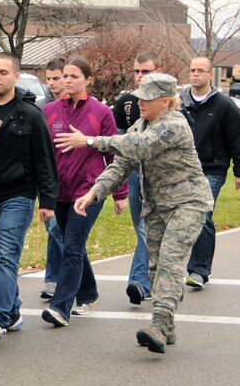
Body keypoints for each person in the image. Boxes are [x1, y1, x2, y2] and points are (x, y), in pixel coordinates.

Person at [57, 73, 214, 353]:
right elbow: (121, 164)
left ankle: (158, 324)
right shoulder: (140, 125)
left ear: (165, 101)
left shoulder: (173, 125)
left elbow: (139, 146)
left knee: (169, 261)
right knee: (154, 266)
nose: (139, 101)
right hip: (155, 205)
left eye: (147, 97)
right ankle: (168, 325)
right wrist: (93, 193)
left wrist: (92, 142)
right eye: (139, 95)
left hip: (188, 202)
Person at [0, 52, 58, 345]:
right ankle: (12, 311)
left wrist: (48, 201)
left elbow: (45, 161)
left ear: (16, 76)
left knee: (6, 255)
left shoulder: (31, 114)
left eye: (2, 72)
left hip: (19, 194)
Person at [41, 56, 126, 328]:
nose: (67, 80)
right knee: (69, 244)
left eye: (74, 76)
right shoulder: (51, 110)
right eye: (65, 75)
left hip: (89, 191)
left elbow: (115, 153)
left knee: (73, 246)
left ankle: (60, 308)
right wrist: (44, 191)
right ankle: (88, 292)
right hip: (59, 191)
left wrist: (120, 193)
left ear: (88, 80)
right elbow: (43, 154)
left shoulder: (101, 112)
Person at [180, 56, 240, 289]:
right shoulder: (179, 103)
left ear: (211, 74)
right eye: (192, 70)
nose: (195, 74)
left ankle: (199, 271)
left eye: (201, 70)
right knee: (182, 217)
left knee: (202, 214)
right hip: (181, 170)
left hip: (212, 169)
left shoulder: (224, 105)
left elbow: (239, 139)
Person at [112, 51, 161, 305]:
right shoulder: (126, 103)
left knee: (147, 229)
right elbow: (120, 144)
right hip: (134, 174)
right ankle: (151, 277)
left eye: (146, 72)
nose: (140, 77)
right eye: (136, 72)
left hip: (162, 176)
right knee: (142, 229)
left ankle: (140, 282)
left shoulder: (170, 102)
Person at [40, 58, 66, 301]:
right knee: (54, 229)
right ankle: (52, 278)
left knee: (62, 231)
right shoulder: (42, 106)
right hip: (49, 179)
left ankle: (62, 278)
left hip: (73, 180)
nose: (52, 84)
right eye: (48, 79)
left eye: (56, 78)